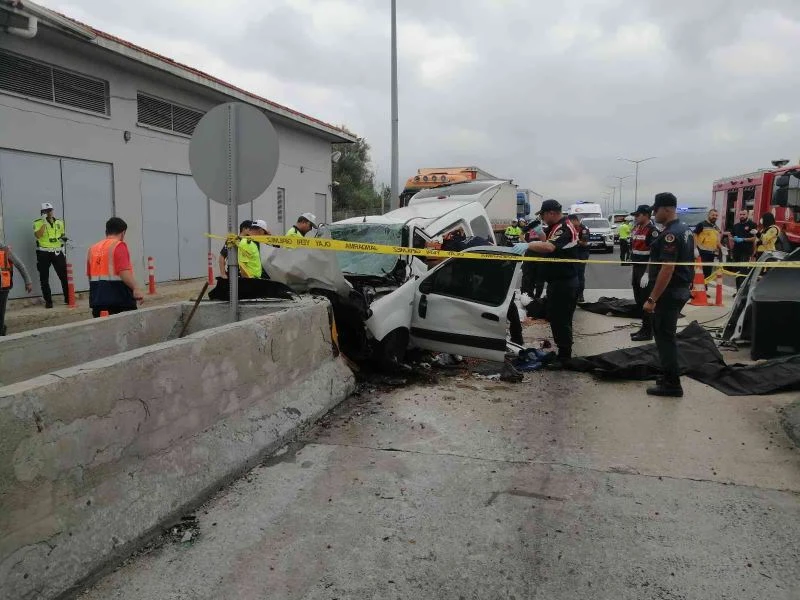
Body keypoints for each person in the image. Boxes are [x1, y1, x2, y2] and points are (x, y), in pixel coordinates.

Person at [643, 193, 695, 397]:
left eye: (656, 210)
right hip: (679, 289)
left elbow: (667, 268)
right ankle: (667, 376)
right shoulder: (685, 229)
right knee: (667, 335)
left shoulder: (670, 234)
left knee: (665, 338)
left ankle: (672, 384)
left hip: (669, 293)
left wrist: (652, 299)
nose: (654, 214)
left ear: (666, 209)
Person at [527, 199, 579, 368]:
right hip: (558, 282)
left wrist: (527, 245)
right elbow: (549, 242)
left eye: (542, 215)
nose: (542, 218)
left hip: (564, 283)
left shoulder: (564, 227)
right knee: (557, 318)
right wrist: (538, 234)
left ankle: (565, 357)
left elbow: (549, 248)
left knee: (561, 319)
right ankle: (563, 353)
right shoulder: (556, 227)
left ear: (550, 213)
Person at [87, 217, 144, 318]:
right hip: (119, 301)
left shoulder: (92, 249)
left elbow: (90, 275)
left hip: (97, 301)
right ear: (123, 233)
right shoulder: (118, 246)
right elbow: (124, 272)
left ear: (106, 231)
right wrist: (136, 288)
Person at [628, 205, 660, 341]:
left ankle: (648, 332)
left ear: (646, 215)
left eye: (638, 215)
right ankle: (644, 328)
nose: (635, 218)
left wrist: (647, 272)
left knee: (646, 300)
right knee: (639, 299)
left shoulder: (652, 231)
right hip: (637, 267)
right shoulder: (637, 228)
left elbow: (654, 254)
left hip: (645, 269)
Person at [33, 202, 69, 308]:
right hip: (43, 252)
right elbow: (38, 235)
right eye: (46, 211)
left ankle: (68, 298)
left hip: (57, 251)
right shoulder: (37, 223)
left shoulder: (59, 222)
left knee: (64, 276)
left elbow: (62, 235)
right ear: (42, 212)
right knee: (44, 278)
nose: (49, 212)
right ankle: (48, 301)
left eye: (50, 210)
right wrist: (44, 222)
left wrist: (64, 240)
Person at [0, 240, 34, 336]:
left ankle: (1, 330)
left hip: (3, 287)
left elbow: (19, 264)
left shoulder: (5, 250)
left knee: (0, 312)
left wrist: (28, 282)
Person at [729, 210, 757, 290]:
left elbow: (754, 238)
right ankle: (738, 291)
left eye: (744, 214)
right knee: (737, 272)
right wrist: (733, 239)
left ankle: (742, 291)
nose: (742, 216)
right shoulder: (736, 226)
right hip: (736, 251)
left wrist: (743, 239)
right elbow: (730, 236)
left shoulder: (752, 224)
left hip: (746, 251)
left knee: (743, 271)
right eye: (740, 214)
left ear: (747, 215)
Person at [693, 209, 722, 281]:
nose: (714, 217)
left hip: (711, 254)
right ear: (708, 215)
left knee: (708, 273)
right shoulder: (702, 224)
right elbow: (694, 234)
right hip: (702, 252)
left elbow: (717, 240)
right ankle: (696, 286)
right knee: (700, 273)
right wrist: (695, 248)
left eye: (716, 215)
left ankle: (705, 287)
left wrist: (722, 248)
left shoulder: (716, 227)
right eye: (713, 215)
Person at [521, 218, 546, 300]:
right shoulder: (528, 228)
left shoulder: (543, 229)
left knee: (540, 277)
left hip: (540, 253)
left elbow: (545, 240)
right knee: (527, 276)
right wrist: (526, 243)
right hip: (530, 253)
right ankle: (527, 295)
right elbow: (521, 234)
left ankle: (537, 297)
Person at [568, 214, 590, 303]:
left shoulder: (584, 229)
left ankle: (580, 295)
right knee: (572, 274)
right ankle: (572, 294)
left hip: (582, 253)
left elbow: (584, 243)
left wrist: (576, 241)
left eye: (571, 222)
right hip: (573, 253)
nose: (570, 224)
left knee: (580, 274)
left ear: (575, 220)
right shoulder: (570, 228)